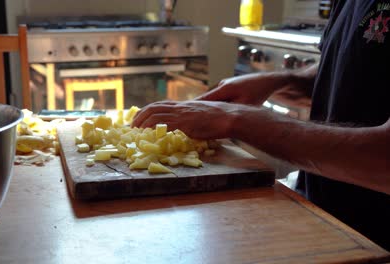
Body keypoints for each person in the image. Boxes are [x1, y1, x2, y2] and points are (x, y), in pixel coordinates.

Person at [132, 0, 390, 250]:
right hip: (321, 220)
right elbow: (352, 69)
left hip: (375, 241)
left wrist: (236, 119)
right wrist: (283, 81)